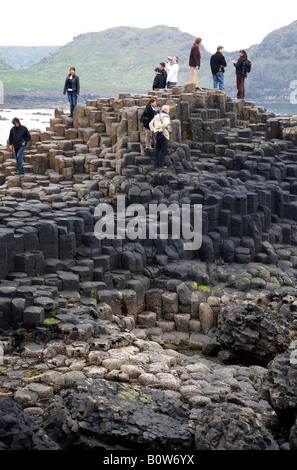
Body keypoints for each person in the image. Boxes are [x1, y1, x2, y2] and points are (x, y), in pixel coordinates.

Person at [149, 105, 172, 169]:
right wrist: (161, 130)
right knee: (163, 150)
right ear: (166, 110)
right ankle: (161, 165)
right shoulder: (166, 116)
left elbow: (150, 124)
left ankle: (156, 165)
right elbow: (166, 124)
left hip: (157, 135)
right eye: (168, 109)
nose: (169, 111)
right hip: (163, 135)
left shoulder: (157, 116)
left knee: (157, 150)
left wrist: (154, 130)